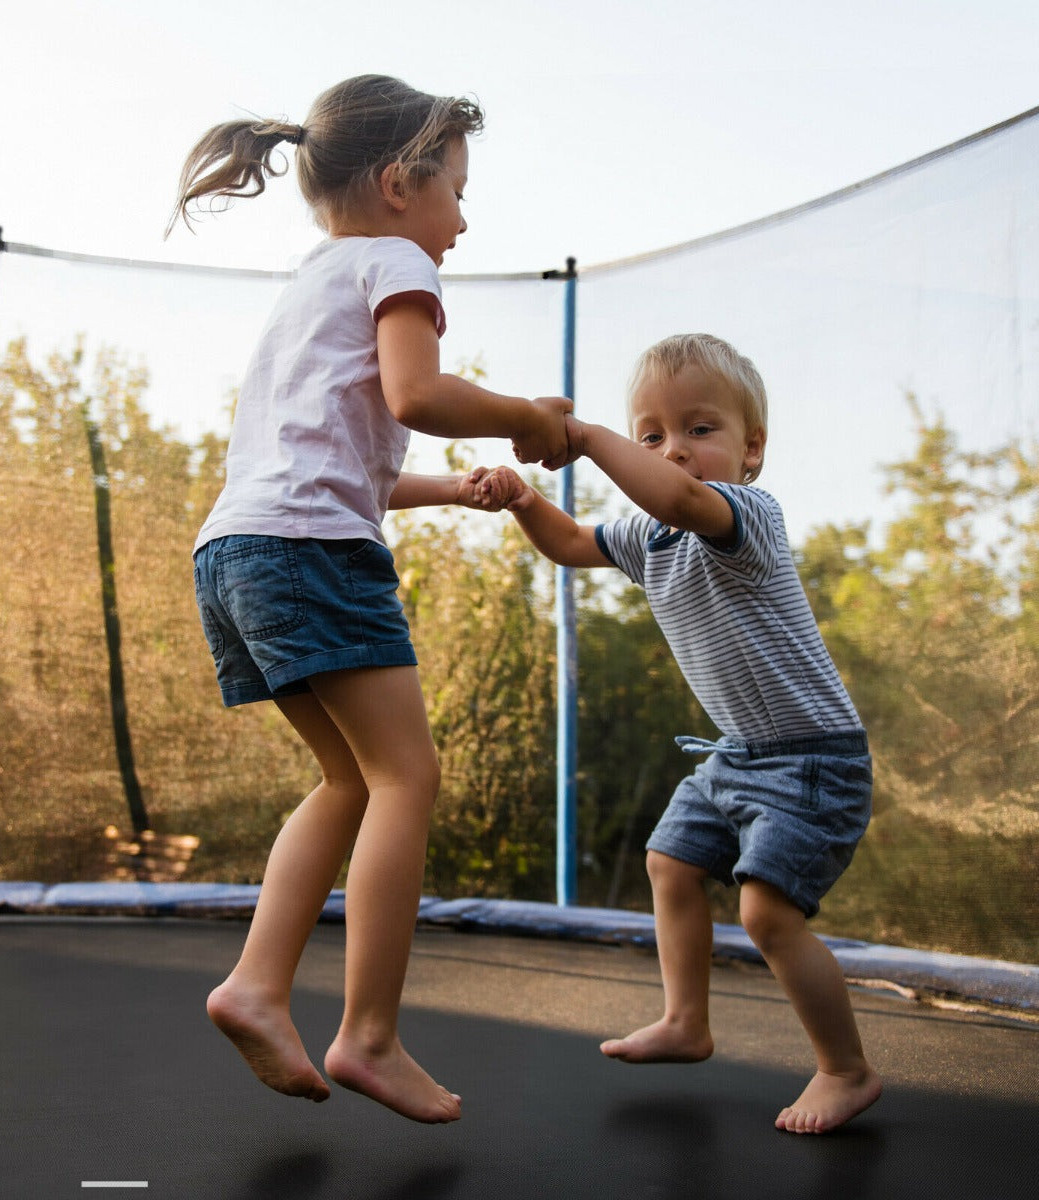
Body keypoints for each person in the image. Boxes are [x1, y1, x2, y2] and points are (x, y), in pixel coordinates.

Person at [169, 74, 570, 1125]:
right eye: (456, 190)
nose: (462, 219)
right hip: (309, 553)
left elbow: (357, 460)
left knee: (348, 780)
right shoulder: (396, 261)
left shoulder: (310, 282)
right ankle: (370, 1034)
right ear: (400, 183)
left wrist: (457, 487)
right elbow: (418, 395)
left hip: (237, 550)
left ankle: (256, 987)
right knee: (407, 777)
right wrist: (527, 417)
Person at [487, 333, 882, 1134]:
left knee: (768, 916)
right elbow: (570, 545)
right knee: (669, 861)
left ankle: (846, 1070)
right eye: (653, 435)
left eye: (700, 430)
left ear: (750, 451)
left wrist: (593, 437)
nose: (675, 452)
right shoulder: (646, 539)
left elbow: (676, 499)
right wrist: (528, 502)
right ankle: (686, 1022)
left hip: (813, 759)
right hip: (736, 754)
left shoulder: (746, 515)